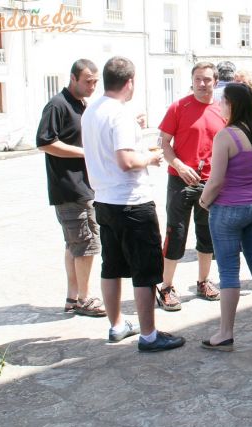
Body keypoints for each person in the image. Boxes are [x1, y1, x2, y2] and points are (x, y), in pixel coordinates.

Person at [81, 56, 186, 351]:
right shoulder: (120, 114)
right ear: (130, 82)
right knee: (145, 269)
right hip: (130, 201)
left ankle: (116, 325)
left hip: (103, 199)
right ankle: (149, 334)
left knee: (111, 266)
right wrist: (151, 158)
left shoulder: (93, 110)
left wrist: (136, 131)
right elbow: (126, 160)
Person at [198, 83, 252, 350]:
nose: (220, 106)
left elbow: (216, 180)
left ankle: (225, 332)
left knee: (229, 271)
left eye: (223, 102)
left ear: (232, 105)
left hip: (229, 208)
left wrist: (204, 200)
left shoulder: (226, 135)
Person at [36, 59, 106, 318]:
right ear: (73, 78)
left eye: (95, 81)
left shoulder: (80, 104)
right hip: (70, 187)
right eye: (87, 81)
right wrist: (84, 153)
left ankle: (73, 296)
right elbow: (44, 142)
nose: (92, 85)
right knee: (87, 243)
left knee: (74, 244)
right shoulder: (57, 104)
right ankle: (84, 299)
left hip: (83, 185)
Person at [156, 62, 226, 311]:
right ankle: (165, 287)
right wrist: (179, 165)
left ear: (215, 82)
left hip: (210, 182)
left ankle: (203, 281)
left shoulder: (222, 110)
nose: (202, 84)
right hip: (180, 180)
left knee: (207, 234)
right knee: (176, 233)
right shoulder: (178, 107)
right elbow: (163, 143)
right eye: (197, 79)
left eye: (207, 79)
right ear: (192, 81)